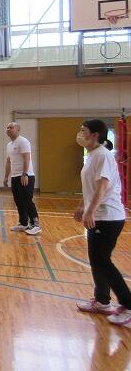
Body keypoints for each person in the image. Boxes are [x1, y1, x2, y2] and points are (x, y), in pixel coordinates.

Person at [75, 120, 131, 327]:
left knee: (102, 261)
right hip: (99, 216)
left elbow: (103, 187)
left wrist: (90, 211)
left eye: (84, 131)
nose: (80, 134)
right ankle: (102, 301)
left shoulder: (102, 155)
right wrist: (82, 205)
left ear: (95, 135)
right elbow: (91, 187)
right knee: (97, 260)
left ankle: (128, 305)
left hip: (108, 217)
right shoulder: (92, 155)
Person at [3, 122, 41, 235]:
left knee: (27, 200)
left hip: (25, 176)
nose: (8, 129)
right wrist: (6, 177)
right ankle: (23, 223)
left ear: (18, 130)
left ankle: (35, 225)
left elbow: (26, 159)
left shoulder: (23, 141)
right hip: (15, 177)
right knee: (18, 200)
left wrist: (25, 174)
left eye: (11, 127)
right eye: (7, 127)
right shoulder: (9, 145)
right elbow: (8, 162)